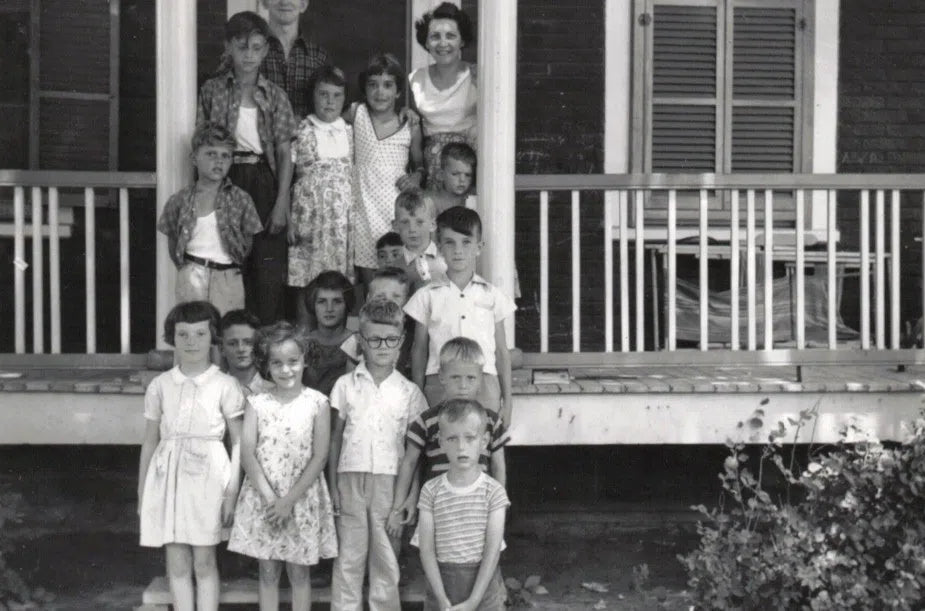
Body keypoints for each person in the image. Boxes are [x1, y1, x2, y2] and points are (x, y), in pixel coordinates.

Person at [138, 301, 244, 610]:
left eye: (199, 334)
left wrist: (231, 493)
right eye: (183, 334)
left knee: (204, 561)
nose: (191, 342)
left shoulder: (225, 384)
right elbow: (149, 442)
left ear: (212, 337)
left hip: (208, 479)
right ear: (172, 338)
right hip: (167, 478)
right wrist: (143, 489)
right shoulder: (160, 385)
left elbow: (238, 443)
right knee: (177, 564)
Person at [228, 321, 338, 611]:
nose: (285, 369)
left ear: (304, 360)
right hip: (265, 498)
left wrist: (288, 501)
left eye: (292, 361)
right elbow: (248, 453)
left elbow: (320, 456)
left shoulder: (318, 403)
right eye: (277, 363)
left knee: (299, 572)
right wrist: (271, 500)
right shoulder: (257, 403)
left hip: (301, 497)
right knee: (267, 571)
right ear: (267, 365)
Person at [328, 300, 429, 610]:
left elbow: (416, 453)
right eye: (374, 340)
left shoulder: (410, 392)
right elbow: (335, 441)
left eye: (391, 340)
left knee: (385, 556)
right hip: (350, 479)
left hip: (390, 482)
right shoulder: (345, 385)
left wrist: (410, 497)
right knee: (349, 557)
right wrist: (332, 486)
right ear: (362, 342)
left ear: (401, 342)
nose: (383, 346)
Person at [198, 11, 296, 325]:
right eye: (242, 47)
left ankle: (265, 351)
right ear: (228, 47)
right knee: (227, 264)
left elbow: (284, 153)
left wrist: (281, 202)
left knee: (266, 272)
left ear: (266, 49)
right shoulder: (213, 91)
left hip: (264, 181)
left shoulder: (275, 96)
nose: (249, 55)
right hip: (226, 179)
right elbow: (202, 142)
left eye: (256, 47)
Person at [404, 206, 516, 426]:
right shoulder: (426, 296)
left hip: (484, 383)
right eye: (449, 242)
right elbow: (419, 349)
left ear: (478, 247)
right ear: (440, 248)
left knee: (481, 448)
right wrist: (418, 398)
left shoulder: (492, 295)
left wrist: (508, 401)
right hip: (440, 382)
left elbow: (502, 350)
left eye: (466, 242)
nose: (458, 250)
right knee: (440, 448)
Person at [388, 337, 508, 536]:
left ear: (480, 378)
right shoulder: (426, 420)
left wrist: (498, 509)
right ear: (441, 376)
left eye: (471, 378)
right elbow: (409, 463)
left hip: (477, 507)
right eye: (455, 377)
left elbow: (498, 466)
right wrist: (397, 508)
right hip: (438, 508)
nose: (463, 385)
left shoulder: (491, 421)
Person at [157, 123, 263, 316]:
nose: (219, 161)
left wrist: (229, 266)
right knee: (194, 328)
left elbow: (249, 240)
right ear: (194, 158)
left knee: (226, 332)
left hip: (228, 277)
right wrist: (187, 269)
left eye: (225, 156)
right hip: (192, 274)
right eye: (211, 154)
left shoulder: (241, 199)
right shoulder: (180, 200)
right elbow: (172, 240)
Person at [417, 399, 509, 610]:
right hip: (442, 586)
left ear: (485, 440)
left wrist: (473, 601)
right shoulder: (430, 491)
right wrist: (441, 599)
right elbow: (427, 549)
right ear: (440, 441)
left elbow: (492, 549)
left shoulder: (493, 492)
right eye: (452, 438)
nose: (461, 447)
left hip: (482, 588)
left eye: (470, 438)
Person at [348, 52, 425, 290]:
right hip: (361, 212)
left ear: (399, 92)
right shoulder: (356, 113)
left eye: (388, 85)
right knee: (371, 285)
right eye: (373, 85)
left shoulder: (409, 125)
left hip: (392, 214)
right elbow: (328, 121)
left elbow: (420, 165)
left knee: (397, 279)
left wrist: (416, 177)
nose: (380, 92)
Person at [288, 65, 355, 298]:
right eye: (323, 94)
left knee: (336, 286)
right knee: (308, 284)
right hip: (309, 219)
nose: (330, 101)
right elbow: (287, 175)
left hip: (340, 224)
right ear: (312, 96)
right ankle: (305, 331)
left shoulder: (349, 131)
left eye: (337, 96)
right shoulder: (301, 129)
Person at [409, 2, 477, 188]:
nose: (443, 43)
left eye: (451, 36)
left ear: (462, 41)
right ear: (427, 42)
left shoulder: (477, 76)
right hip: (433, 170)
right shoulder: (415, 79)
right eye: (435, 36)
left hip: (468, 169)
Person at [259, 0, 329, 122]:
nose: (284, 2)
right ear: (264, 2)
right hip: (259, 139)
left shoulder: (319, 57)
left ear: (303, 5)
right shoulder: (249, 54)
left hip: (307, 138)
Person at [340, 266, 415, 378]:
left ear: (408, 301)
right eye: (380, 296)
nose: (388, 302)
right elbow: (349, 382)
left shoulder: (414, 340)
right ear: (368, 299)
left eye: (396, 296)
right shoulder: (357, 341)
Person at [301, 270, 355, 397]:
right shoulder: (303, 344)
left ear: (347, 304)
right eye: (322, 301)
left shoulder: (356, 343)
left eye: (337, 301)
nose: (329, 309)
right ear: (313, 304)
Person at [392, 189, 447, 293]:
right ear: (395, 226)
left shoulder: (447, 258)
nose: (412, 229)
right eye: (405, 222)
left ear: (432, 225)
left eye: (419, 222)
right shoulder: (394, 266)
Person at [220, 309, 273, 395]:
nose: (241, 349)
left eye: (248, 342)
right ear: (222, 349)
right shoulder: (211, 392)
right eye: (232, 343)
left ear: (259, 345)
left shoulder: (276, 393)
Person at [428, 142, 476, 216]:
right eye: (455, 174)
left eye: (468, 175)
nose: (462, 180)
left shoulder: (473, 198)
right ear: (441, 175)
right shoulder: (432, 201)